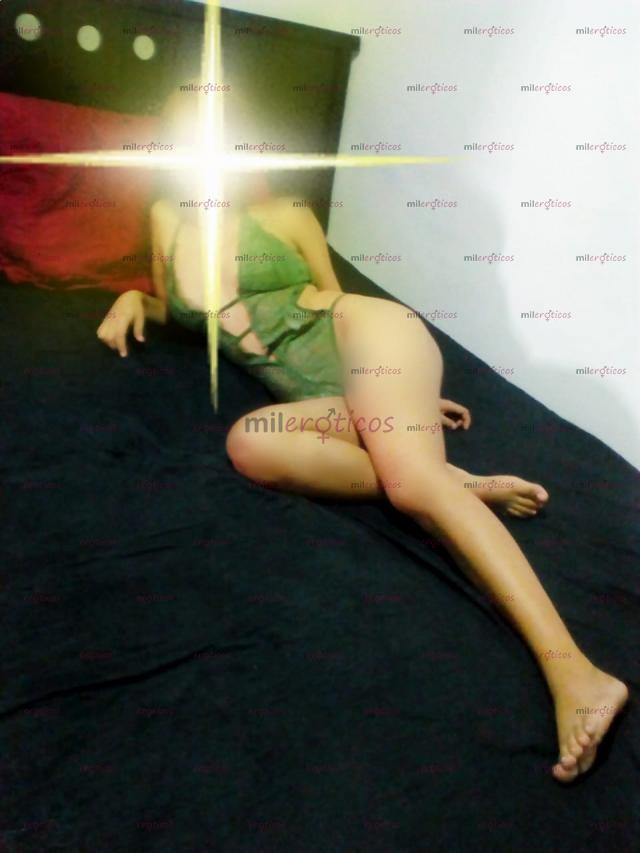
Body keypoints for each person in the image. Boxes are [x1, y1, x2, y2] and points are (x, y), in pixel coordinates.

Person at [97, 87, 627, 784]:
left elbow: (343, 303)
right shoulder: (167, 219)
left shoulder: (287, 213)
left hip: (371, 337)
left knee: (411, 488)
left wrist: (408, 388)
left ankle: (578, 672)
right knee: (250, 443)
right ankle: (460, 481)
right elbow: (183, 310)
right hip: (340, 402)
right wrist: (133, 297)